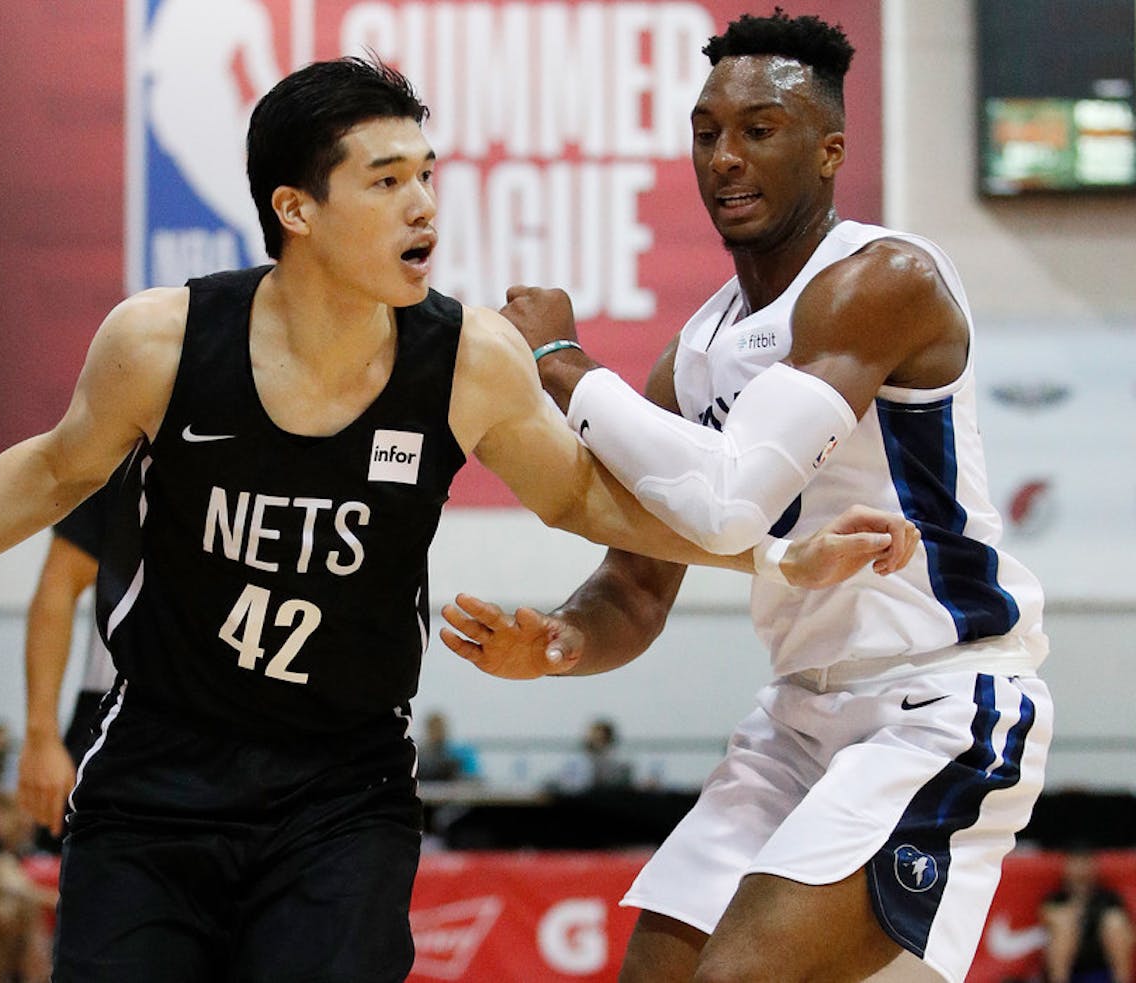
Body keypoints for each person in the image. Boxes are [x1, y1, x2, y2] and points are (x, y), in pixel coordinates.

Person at [0, 56, 914, 982]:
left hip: (340, 787)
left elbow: (582, 495)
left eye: (426, 175)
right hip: (158, 773)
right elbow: (51, 473)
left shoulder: (466, 356)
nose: (424, 204)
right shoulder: (162, 340)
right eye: (386, 181)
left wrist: (766, 552)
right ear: (298, 208)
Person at [441, 11, 1052, 983]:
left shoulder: (881, 278)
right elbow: (637, 588)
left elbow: (729, 507)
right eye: (706, 131)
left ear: (829, 151)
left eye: (760, 129)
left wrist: (559, 360)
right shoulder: (695, 351)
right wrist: (556, 640)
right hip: (798, 714)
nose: (725, 157)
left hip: (940, 699)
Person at [16, 470, 119, 840]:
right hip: (119, 708)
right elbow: (58, 586)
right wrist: (42, 734)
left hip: (251, 719)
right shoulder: (134, 445)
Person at [1041, 846, 1134, 983]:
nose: (1081, 870)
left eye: (1085, 863)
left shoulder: (1108, 898)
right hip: (1070, 962)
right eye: (1076, 863)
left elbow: (1125, 929)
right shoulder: (1056, 898)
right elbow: (1047, 918)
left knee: (1115, 923)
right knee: (1063, 926)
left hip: (1101, 959)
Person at [413, 711, 480, 784]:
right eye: (433, 728)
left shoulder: (462, 753)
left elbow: (473, 777)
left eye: (439, 728)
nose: (436, 732)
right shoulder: (419, 755)